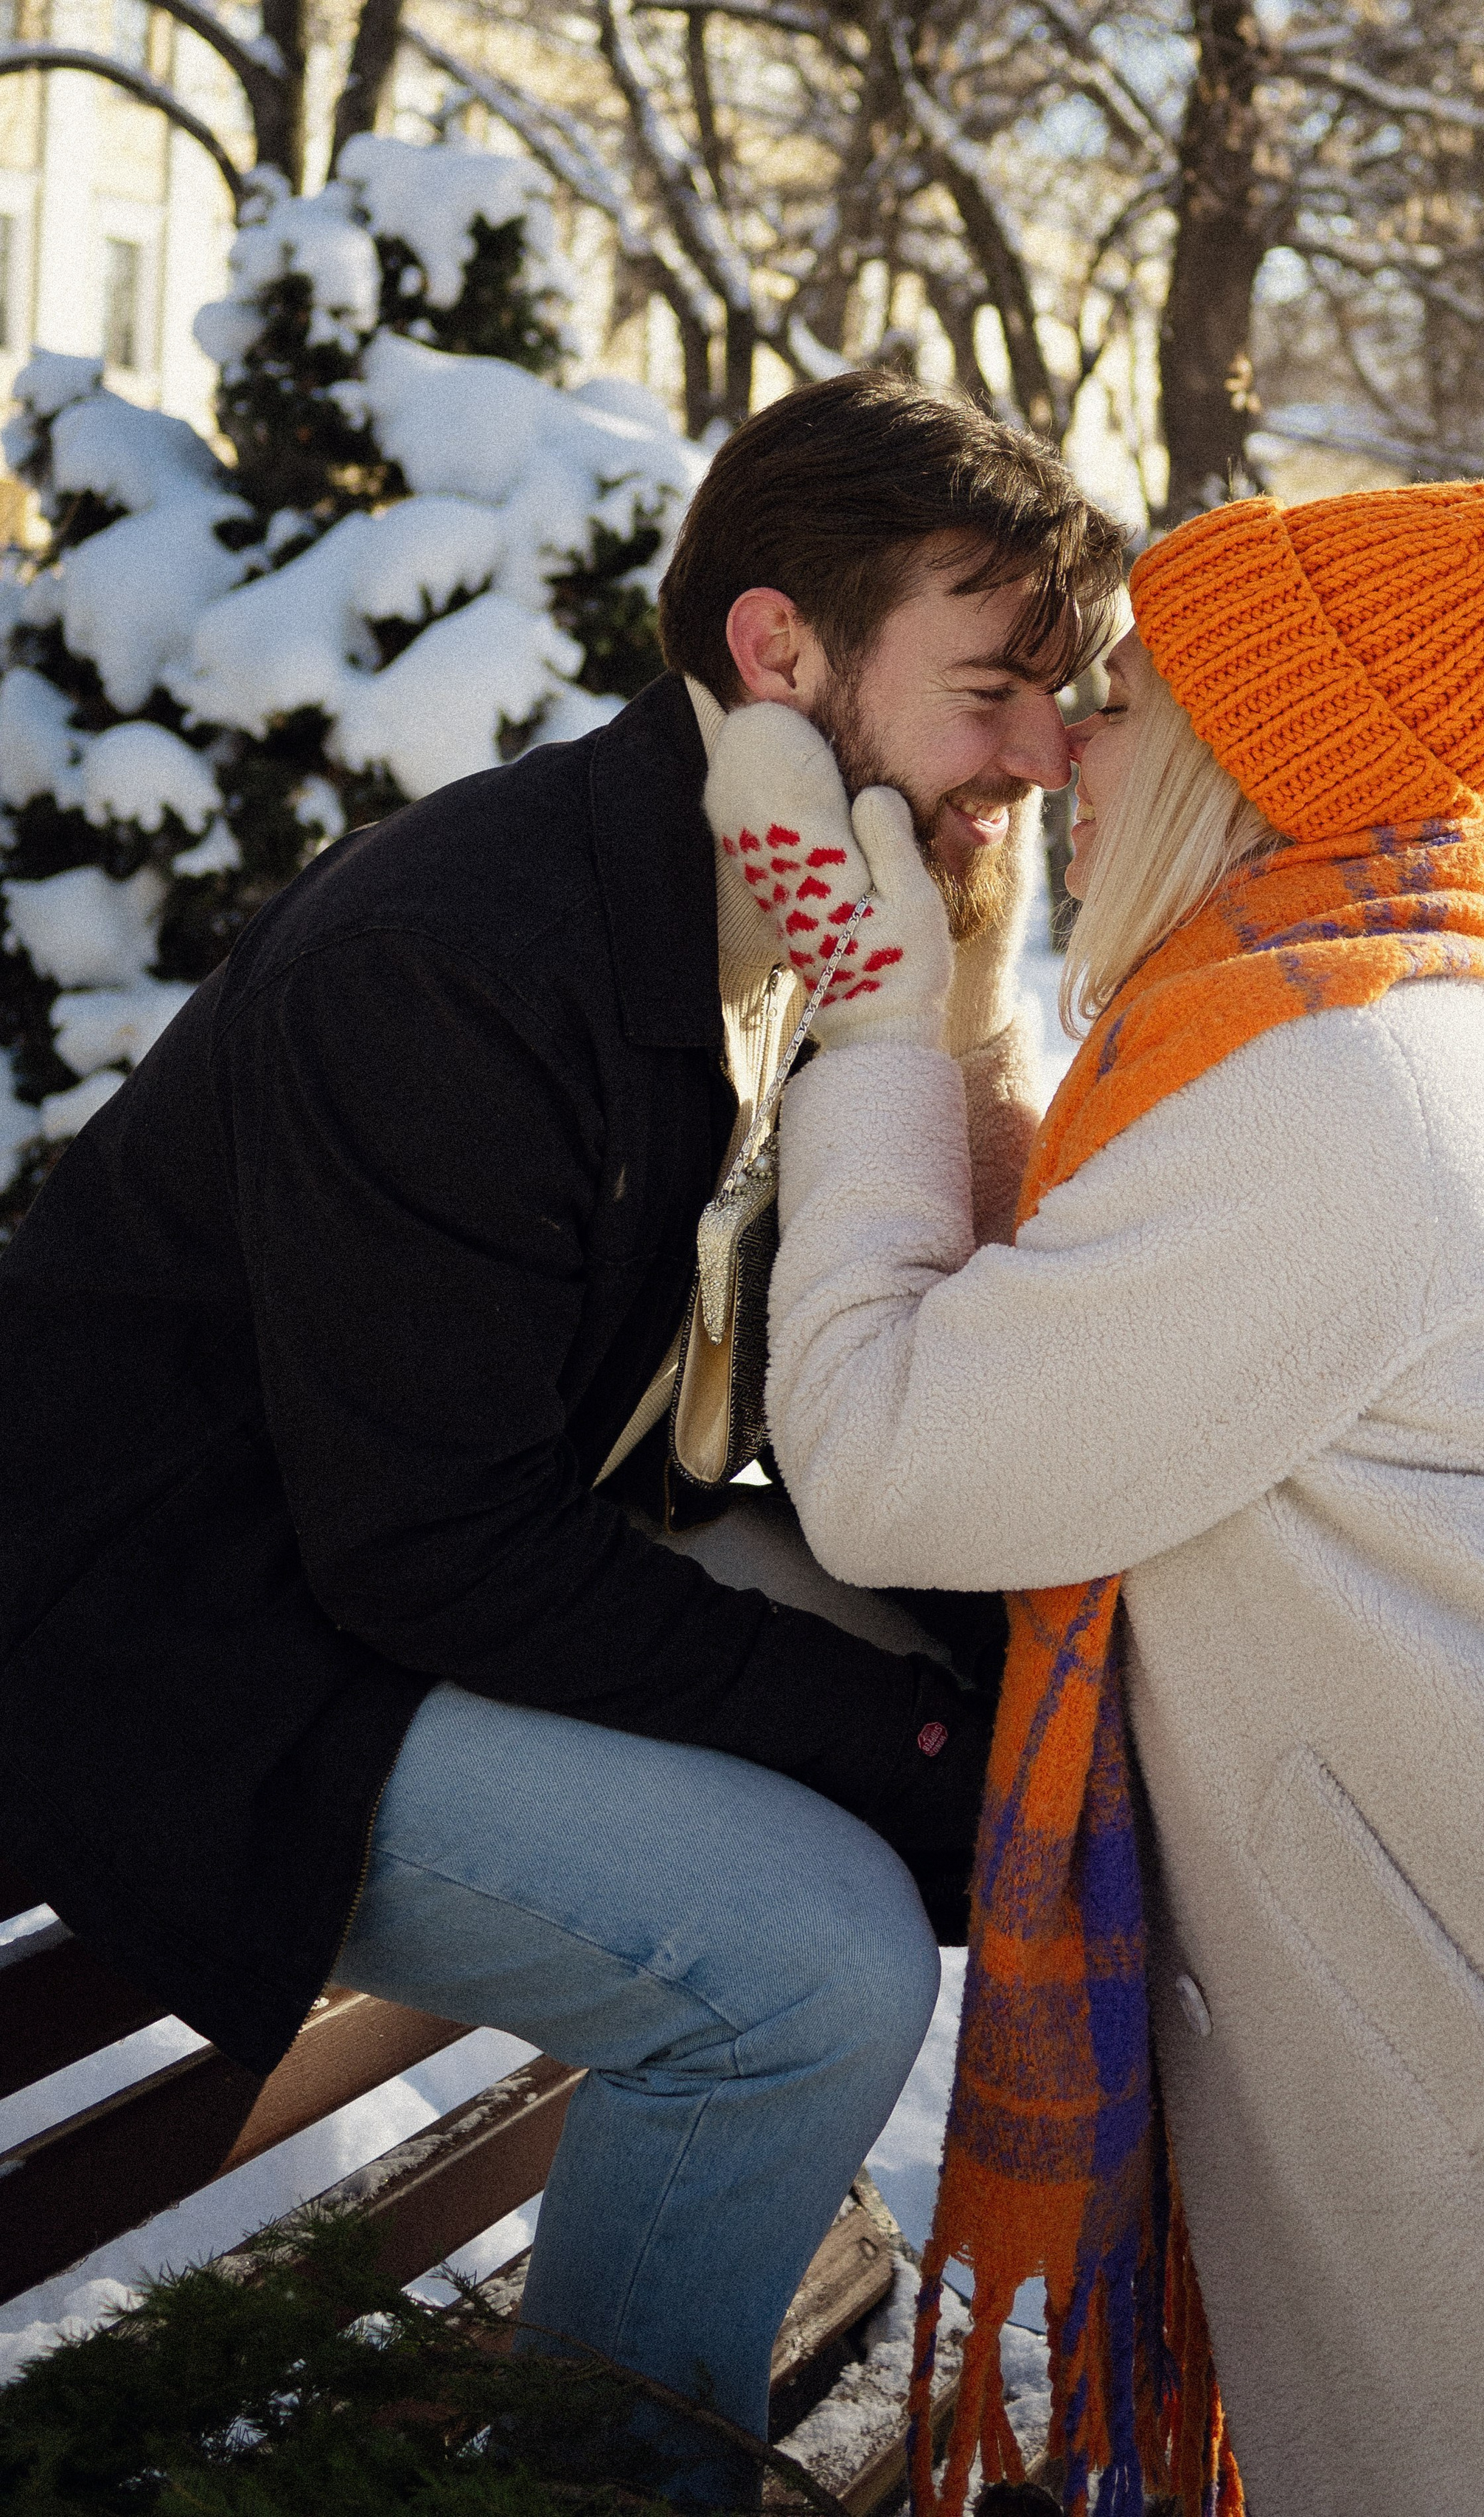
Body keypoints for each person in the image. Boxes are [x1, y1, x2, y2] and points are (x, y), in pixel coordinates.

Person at [711, 480, 1484, 2516]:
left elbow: (900, 1459)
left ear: (1256, 764)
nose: (1080, 735)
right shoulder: (1325, 1018)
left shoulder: (1329, 1090)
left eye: (1140, 697)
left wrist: (893, 1021)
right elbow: (1059, 1331)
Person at [0, 372, 1123, 2496]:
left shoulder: (805, 907)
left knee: (1068, 1730)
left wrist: (946, 1020)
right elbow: (432, 1548)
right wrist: (897, 1749)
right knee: (802, 1967)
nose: (1042, 756)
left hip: (428, 1556)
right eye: (994, 691)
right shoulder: (470, 949)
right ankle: (592, 2482)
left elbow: (878, 1389)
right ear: (778, 652)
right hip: (189, 1658)